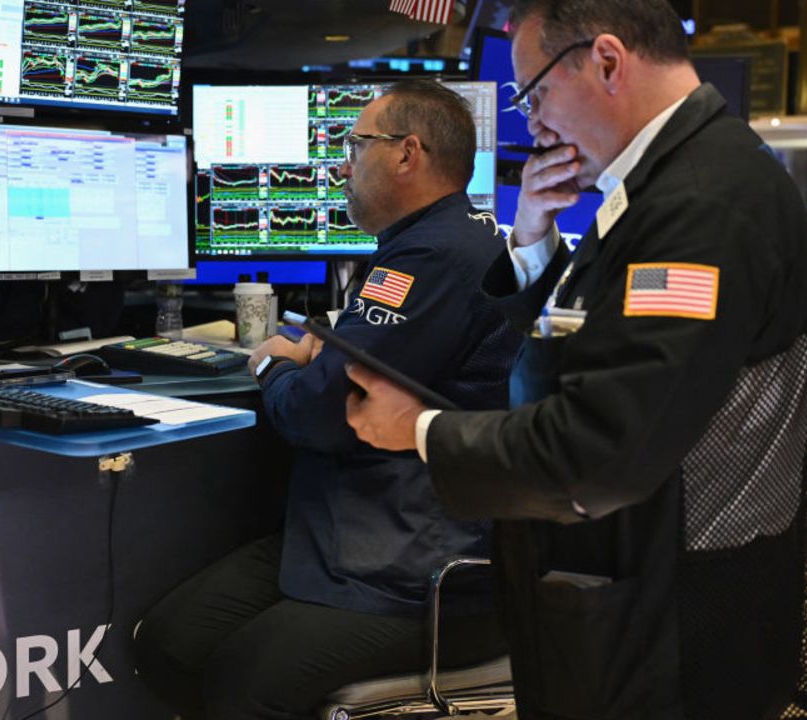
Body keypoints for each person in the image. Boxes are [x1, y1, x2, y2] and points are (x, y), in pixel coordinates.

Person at [343, 1, 807, 718]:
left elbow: (599, 447)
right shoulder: (664, 183)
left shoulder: (701, 204)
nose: (534, 122)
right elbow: (600, 343)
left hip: (669, 625)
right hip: (630, 594)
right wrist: (534, 239)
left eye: (536, 94)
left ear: (608, 60)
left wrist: (420, 428)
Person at [131, 80, 518, 720]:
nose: (342, 162)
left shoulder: (432, 258)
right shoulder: (453, 240)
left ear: (406, 154)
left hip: (414, 570)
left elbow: (320, 412)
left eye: (355, 142)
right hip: (353, 535)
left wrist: (271, 364)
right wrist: (331, 351)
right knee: (172, 644)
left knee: (239, 685)